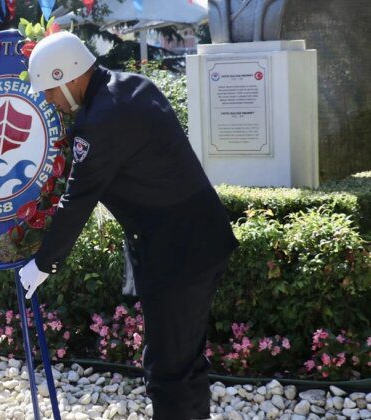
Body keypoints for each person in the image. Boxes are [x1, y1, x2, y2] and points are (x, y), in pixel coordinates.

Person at [19, 31, 239, 420]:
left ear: (69, 77)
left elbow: (78, 198)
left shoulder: (103, 117)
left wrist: (44, 263)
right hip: (195, 240)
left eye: (51, 90)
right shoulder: (131, 86)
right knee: (185, 360)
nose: (49, 100)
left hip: (178, 254)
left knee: (168, 370)